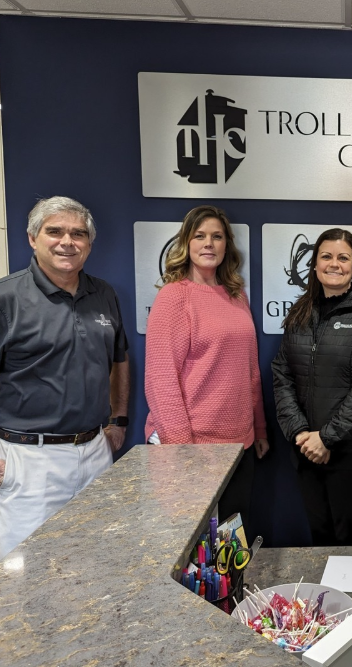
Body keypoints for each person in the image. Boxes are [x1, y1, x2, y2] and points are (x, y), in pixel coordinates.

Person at [0, 196, 129, 568]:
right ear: (33, 238)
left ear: (90, 243)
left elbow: (119, 358)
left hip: (95, 452)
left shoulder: (104, 294)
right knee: (23, 577)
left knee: (96, 567)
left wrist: (119, 420)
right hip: (28, 460)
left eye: (78, 233)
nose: (68, 241)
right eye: (55, 231)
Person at [144, 205, 268, 530]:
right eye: (200, 236)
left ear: (227, 244)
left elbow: (250, 370)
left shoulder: (236, 296)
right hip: (192, 447)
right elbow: (161, 381)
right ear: (186, 243)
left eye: (217, 236)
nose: (209, 243)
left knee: (231, 548)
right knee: (195, 557)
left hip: (238, 446)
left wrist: (260, 429)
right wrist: (182, 448)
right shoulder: (174, 298)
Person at [272, 228, 352, 546]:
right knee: (321, 541)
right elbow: (282, 374)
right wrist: (300, 433)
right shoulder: (300, 311)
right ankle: (326, 599)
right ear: (314, 265)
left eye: (344, 258)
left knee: (350, 545)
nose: (334, 264)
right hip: (307, 453)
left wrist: (327, 438)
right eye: (326, 256)